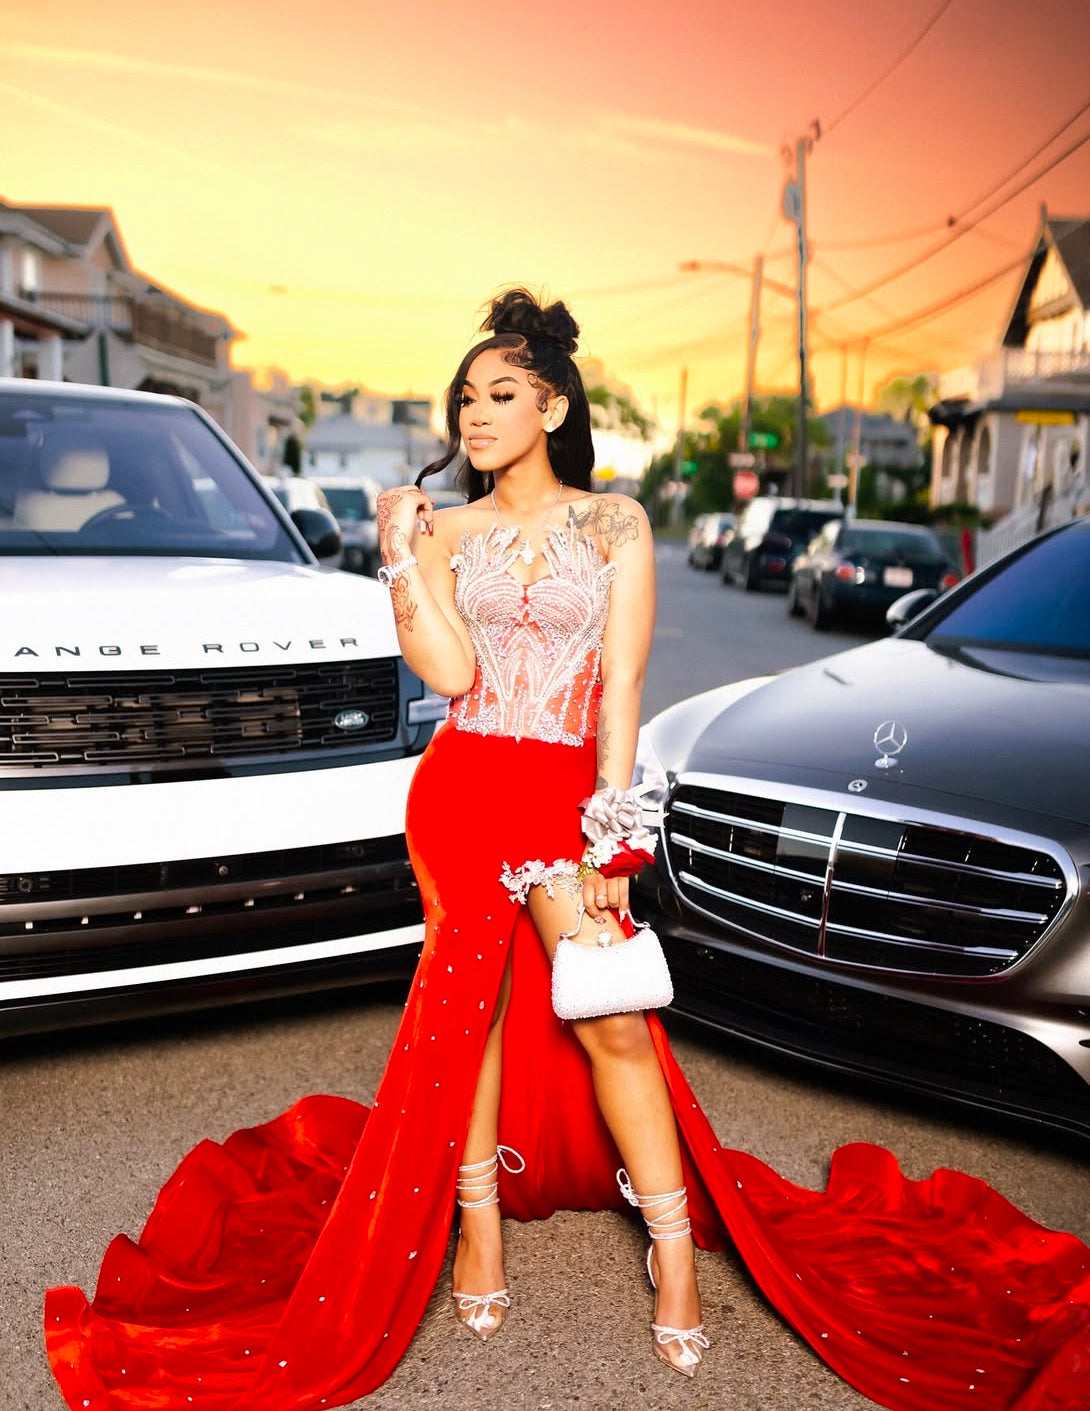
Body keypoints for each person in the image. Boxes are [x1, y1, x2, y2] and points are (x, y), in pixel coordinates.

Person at [45, 291, 1090, 1411]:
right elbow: (448, 677)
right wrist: (403, 559)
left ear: (552, 404)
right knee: (471, 1018)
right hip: (463, 787)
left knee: (612, 1022)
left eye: (500, 394)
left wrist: (611, 831)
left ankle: (676, 1248)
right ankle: (478, 1233)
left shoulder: (617, 524)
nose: (477, 412)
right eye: (466, 397)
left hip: (560, 794)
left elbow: (624, 693)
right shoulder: (441, 527)